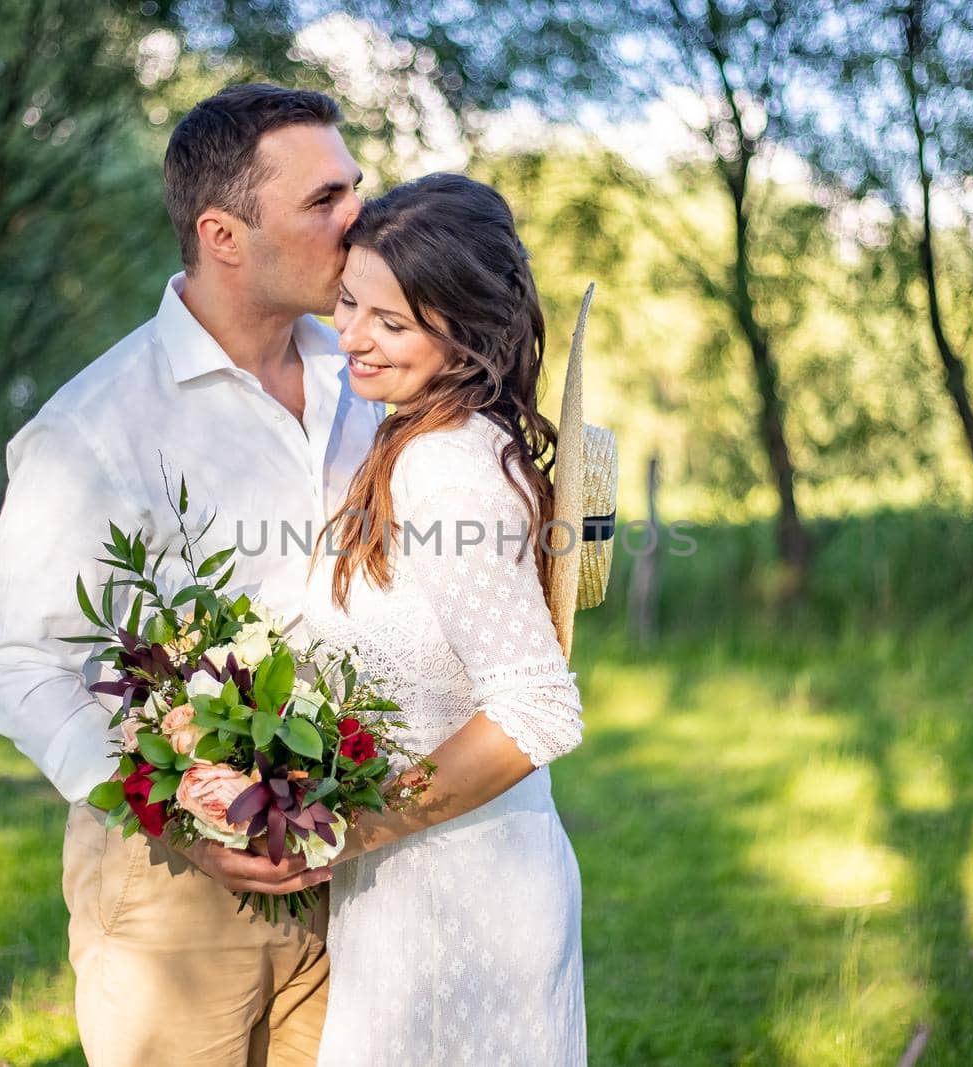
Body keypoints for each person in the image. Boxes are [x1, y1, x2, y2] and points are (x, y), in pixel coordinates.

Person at [0, 83, 380, 1066]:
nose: (360, 219)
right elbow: (17, 661)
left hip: (357, 863)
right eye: (325, 200)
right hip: (170, 888)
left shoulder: (368, 380)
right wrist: (169, 813)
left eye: (355, 189)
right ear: (223, 233)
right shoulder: (93, 427)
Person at [303, 173, 588, 1065]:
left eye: (390, 322)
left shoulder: (446, 467)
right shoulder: (420, 438)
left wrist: (352, 828)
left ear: (464, 326)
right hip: (422, 878)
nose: (353, 336)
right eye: (348, 304)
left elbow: (537, 708)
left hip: (457, 893)